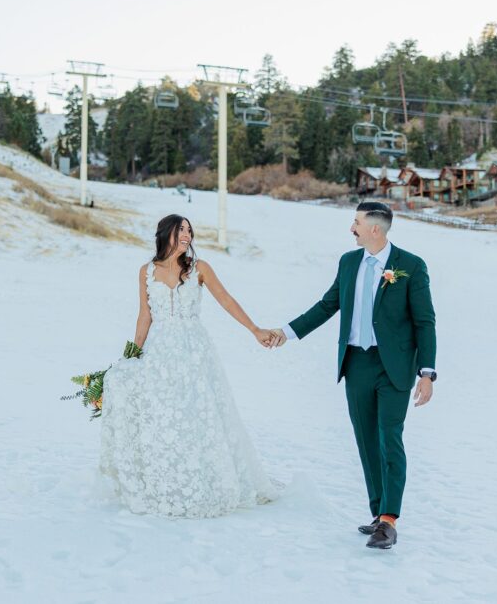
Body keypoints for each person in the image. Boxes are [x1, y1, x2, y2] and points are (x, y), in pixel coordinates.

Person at [267, 202, 437, 550]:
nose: (351, 229)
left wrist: (427, 372)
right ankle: (378, 513)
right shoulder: (348, 262)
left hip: (394, 367)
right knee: (366, 440)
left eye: (356, 223)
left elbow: (425, 321)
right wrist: (287, 332)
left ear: (375, 229)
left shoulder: (411, 266)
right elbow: (328, 305)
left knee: (390, 437)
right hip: (356, 365)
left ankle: (390, 520)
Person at [99, 214, 278, 518]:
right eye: (181, 230)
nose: (187, 235)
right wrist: (131, 357)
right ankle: (166, 479)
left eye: (189, 231)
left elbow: (227, 301)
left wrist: (255, 329)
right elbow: (145, 316)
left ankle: (207, 479)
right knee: (164, 417)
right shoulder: (146, 272)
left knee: (198, 413)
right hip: (160, 353)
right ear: (165, 233)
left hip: (194, 351)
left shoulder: (200, 269)